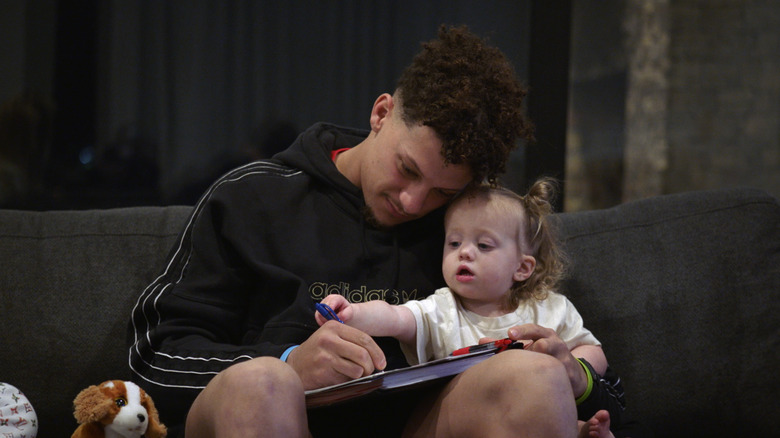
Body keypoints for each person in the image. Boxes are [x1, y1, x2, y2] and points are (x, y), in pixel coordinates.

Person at [129, 25, 640, 437]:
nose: (413, 203)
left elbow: (611, 400)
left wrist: (576, 377)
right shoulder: (251, 197)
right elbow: (152, 359)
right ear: (381, 114)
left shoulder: (471, 233)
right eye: (408, 169)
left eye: (442, 192)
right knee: (261, 384)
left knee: (534, 377)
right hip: (262, 412)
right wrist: (285, 361)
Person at [317, 180, 619, 438]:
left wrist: (570, 366)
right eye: (454, 242)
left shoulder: (550, 308)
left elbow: (594, 353)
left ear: (522, 268)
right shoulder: (443, 308)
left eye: (484, 245)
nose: (465, 252)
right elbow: (395, 317)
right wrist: (353, 314)